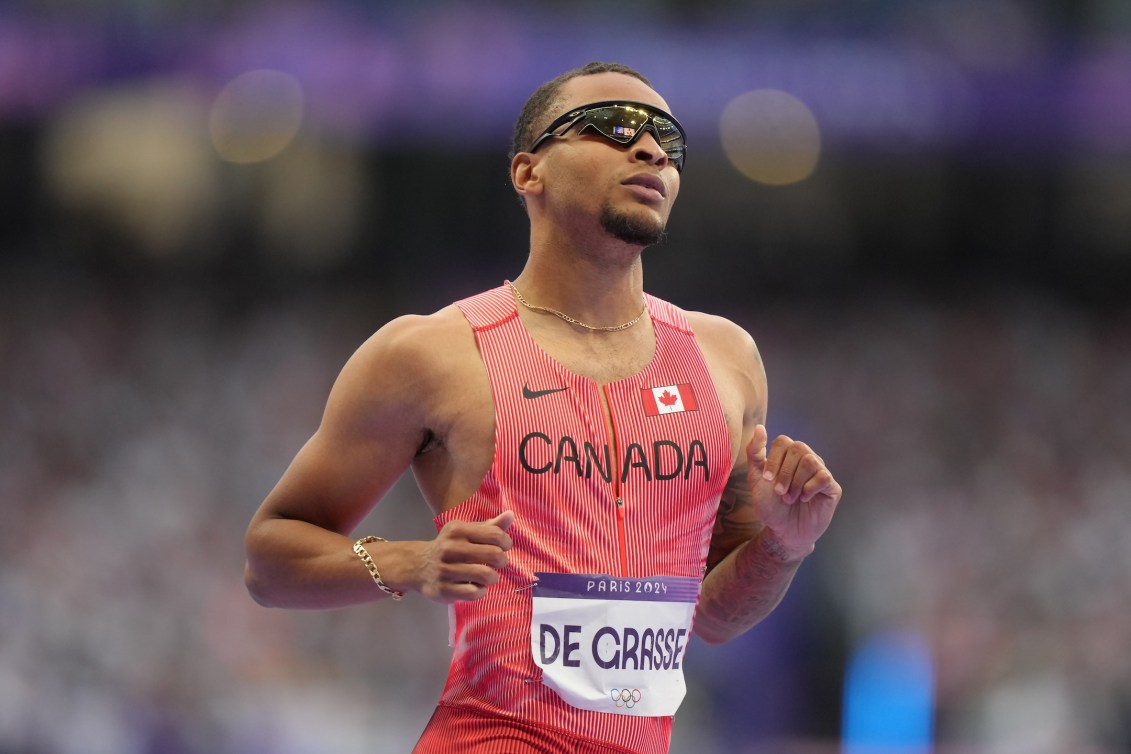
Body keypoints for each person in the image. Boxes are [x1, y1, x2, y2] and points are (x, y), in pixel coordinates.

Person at [244, 61, 842, 754]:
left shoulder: (725, 359)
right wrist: (411, 562)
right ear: (529, 172)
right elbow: (269, 558)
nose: (649, 151)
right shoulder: (431, 354)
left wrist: (784, 546)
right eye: (614, 129)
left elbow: (712, 614)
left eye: (666, 142)